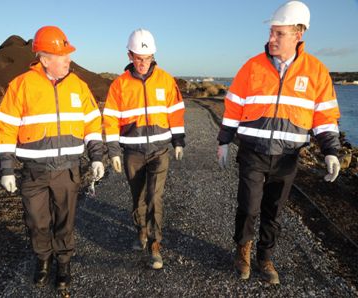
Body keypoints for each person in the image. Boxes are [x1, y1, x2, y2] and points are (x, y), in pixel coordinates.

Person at [216, 1, 341, 284]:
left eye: (278, 34)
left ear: (298, 33)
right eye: (271, 32)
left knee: (274, 212)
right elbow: (233, 107)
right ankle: (243, 250)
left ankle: (265, 256)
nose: (271, 39)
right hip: (252, 154)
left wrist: (331, 150)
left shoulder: (316, 71)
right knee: (248, 207)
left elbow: (324, 116)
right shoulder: (251, 67)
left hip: (287, 158)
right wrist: (223, 141)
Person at [0, 25, 104, 294]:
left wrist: (97, 157)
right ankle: (43, 259)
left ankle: (64, 264)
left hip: (67, 170)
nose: (69, 60)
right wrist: (6, 168)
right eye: (62, 55)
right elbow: (6, 126)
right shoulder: (21, 85)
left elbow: (92, 122)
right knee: (37, 220)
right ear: (45, 59)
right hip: (34, 171)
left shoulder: (79, 86)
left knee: (65, 221)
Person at [103, 29, 185, 270]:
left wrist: (178, 141)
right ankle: (141, 230)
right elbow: (109, 118)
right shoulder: (119, 85)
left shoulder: (166, 80)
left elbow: (176, 112)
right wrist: (113, 151)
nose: (142, 63)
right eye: (138, 57)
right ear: (129, 55)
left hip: (159, 151)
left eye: (146, 58)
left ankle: (155, 244)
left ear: (153, 56)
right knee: (138, 196)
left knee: (154, 196)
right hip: (132, 152)